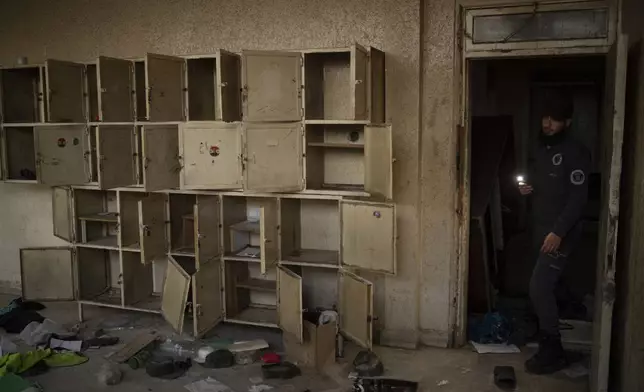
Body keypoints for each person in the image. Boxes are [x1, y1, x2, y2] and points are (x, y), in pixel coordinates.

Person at [518, 93, 590, 375]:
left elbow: (577, 199)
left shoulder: (576, 152)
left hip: (560, 234)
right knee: (543, 284)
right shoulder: (541, 147)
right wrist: (527, 189)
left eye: (555, 119)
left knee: (539, 286)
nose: (548, 123)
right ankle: (555, 317)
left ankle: (553, 350)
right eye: (545, 117)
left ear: (568, 121)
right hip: (540, 228)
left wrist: (558, 232)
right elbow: (540, 182)